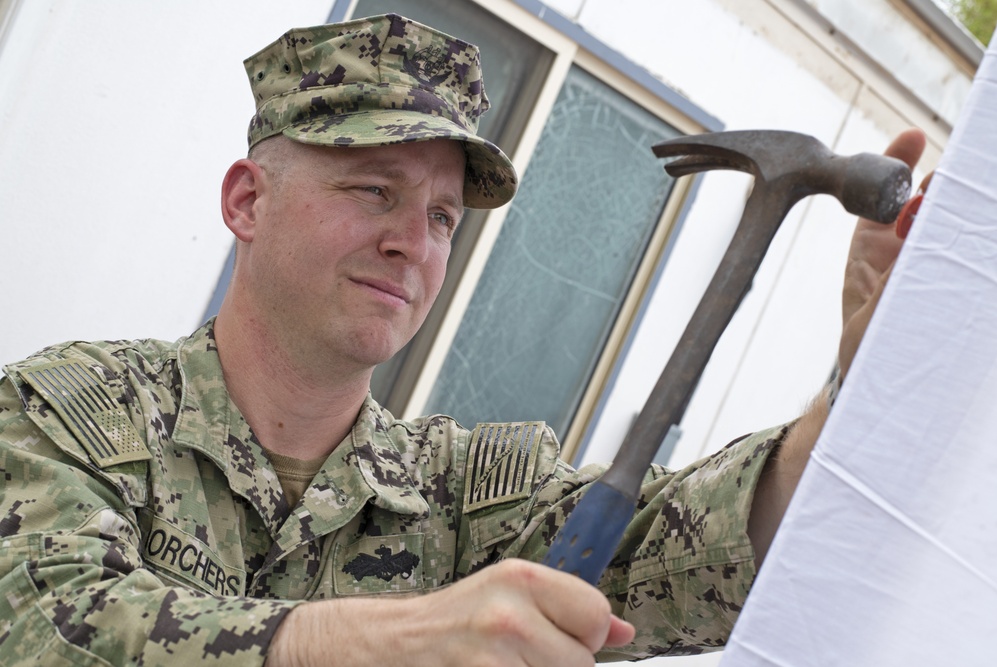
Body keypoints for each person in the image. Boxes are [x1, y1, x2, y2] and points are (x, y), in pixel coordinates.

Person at [0, 13, 926, 667]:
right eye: (374, 190)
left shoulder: (460, 497)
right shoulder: (66, 418)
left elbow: (694, 550)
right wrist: (403, 638)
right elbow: (49, 623)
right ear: (248, 200)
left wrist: (861, 380)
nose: (414, 241)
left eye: (443, 215)